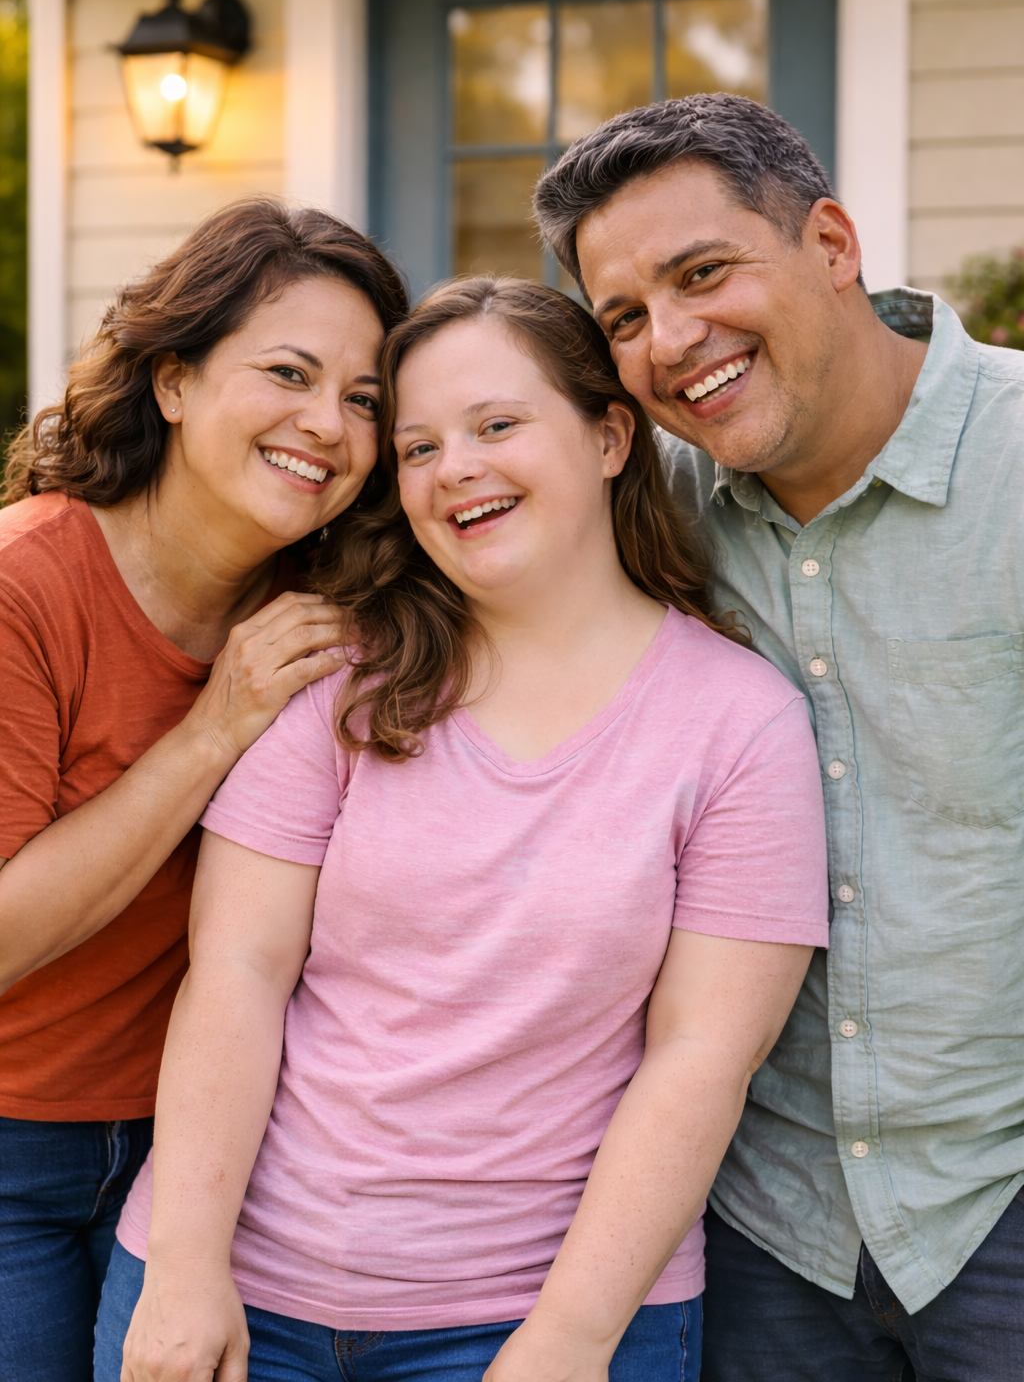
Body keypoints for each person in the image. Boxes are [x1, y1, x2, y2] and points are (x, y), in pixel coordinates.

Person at [94, 278, 828, 1382]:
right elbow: (239, 971)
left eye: (497, 426)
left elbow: (700, 1061)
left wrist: (569, 1343)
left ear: (610, 436)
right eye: (420, 446)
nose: (456, 471)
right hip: (243, 1289)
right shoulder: (339, 677)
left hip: (541, 1316)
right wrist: (189, 1268)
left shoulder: (739, 723)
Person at [532, 92, 1024, 1381]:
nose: (673, 341)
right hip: (763, 1228)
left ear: (832, 242)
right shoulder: (646, 518)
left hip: (1000, 1197)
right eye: (625, 318)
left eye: (704, 274)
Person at [0, 197, 407, 1382]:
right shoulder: (30, 585)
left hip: (214, 1149)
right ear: (172, 383)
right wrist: (214, 727)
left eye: (365, 400)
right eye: (286, 372)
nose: (325, 425)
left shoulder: (340, 600)